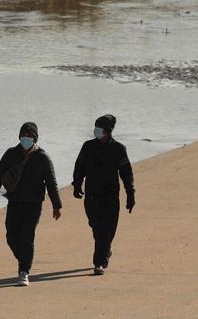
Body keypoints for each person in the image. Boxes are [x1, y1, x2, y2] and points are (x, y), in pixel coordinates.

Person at [0, 122, 63, 286]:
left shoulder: (42, 157)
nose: (26, 139)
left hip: (33, 204)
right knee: (11, 237)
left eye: (29, 136)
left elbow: (51, 182)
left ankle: (24, 271)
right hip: (14, 202)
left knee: (27, 237)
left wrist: (57, 205)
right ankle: (25, 259)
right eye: (23, 135)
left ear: (35, 138)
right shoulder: (10, 154)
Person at [71, 114, 135, 276]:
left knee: (107, 230)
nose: (96, 131)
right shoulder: (88, 146)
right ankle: (105, 249)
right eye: (96, 128)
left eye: (100, 129)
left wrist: (130, 194)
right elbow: (80, 166)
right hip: (92, 195)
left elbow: (126, 173)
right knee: (96, 227)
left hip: (111, 196)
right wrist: (76, 184)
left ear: (108, 132)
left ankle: (99, 262)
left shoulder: (119, 149)